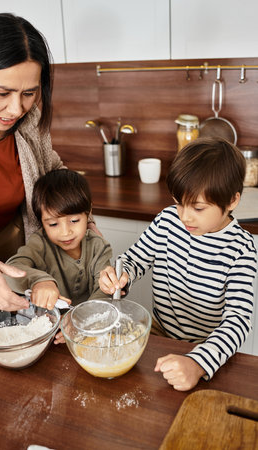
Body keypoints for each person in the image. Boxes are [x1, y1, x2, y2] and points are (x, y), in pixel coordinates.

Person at [0, 13, 96, 311]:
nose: (16, 108)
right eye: (2, 92)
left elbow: (53, 173)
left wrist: (83, 219)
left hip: (27, 270)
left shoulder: (29, 120)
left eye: (29, 93)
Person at [99, 137, 257, 391]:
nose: (184, 216)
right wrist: (121, 273)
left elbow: (238, 320)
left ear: (232, 201)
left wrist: (197, 363)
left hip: (206, 349)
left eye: (198, 207)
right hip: (159, 334)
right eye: (179, 202)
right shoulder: (167, 221)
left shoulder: (241, 249)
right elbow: (135, 259)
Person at [5, 169, 112, 342]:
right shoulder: (39, 244)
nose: (65, 232)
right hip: (46, 331)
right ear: (42, 222)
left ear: (89, 211)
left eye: (74, 221)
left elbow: (104, 290)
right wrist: (39, 280)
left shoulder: (98, 246)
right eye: (53, 224)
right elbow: (11, 271)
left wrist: (81, 320)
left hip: (91, 329)